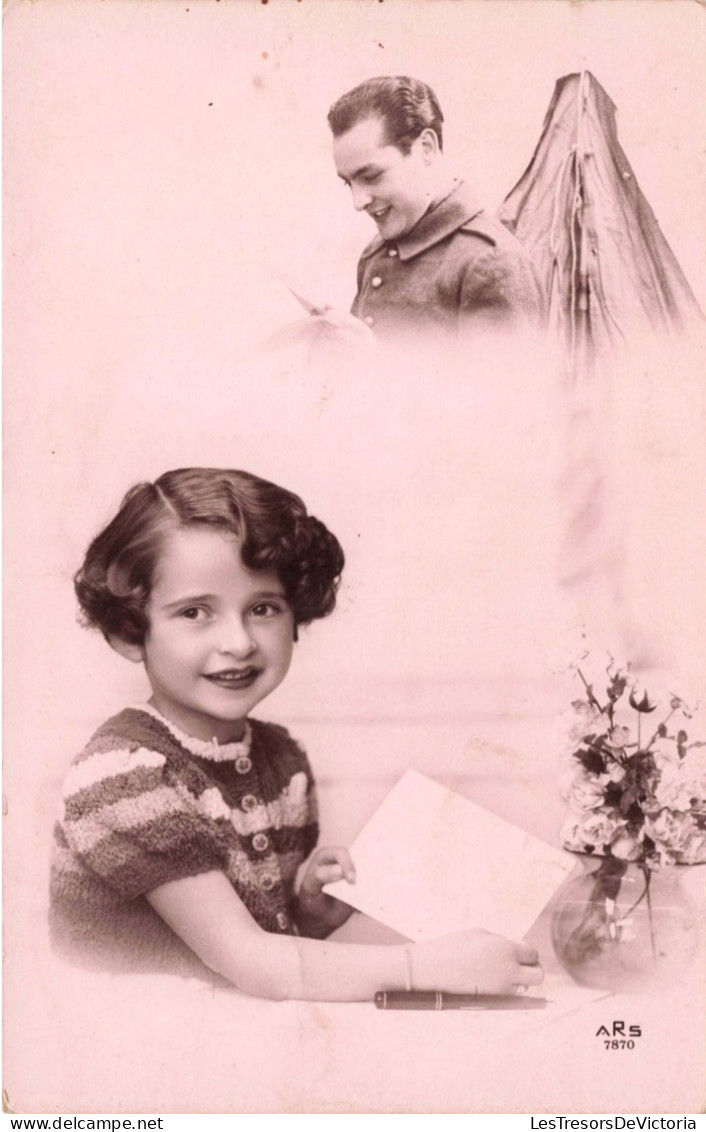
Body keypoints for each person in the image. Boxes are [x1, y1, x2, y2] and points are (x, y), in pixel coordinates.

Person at [50, 467, 544, 1001]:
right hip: (122, 1041)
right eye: (195, 612)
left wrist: (305, 909)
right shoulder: (125, 776)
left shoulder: (282, 762)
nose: (238, 642)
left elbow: (270, 952)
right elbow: (256, 966)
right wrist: (428, 966)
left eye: (263, 608)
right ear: (131, 630)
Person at [325, 75, 546, 342]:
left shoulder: (493, 262)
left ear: (426, 148)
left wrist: (372, 365)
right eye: (348, 183)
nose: (358, 202)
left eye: (371, 176)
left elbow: (501, 384)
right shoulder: (376, 253)